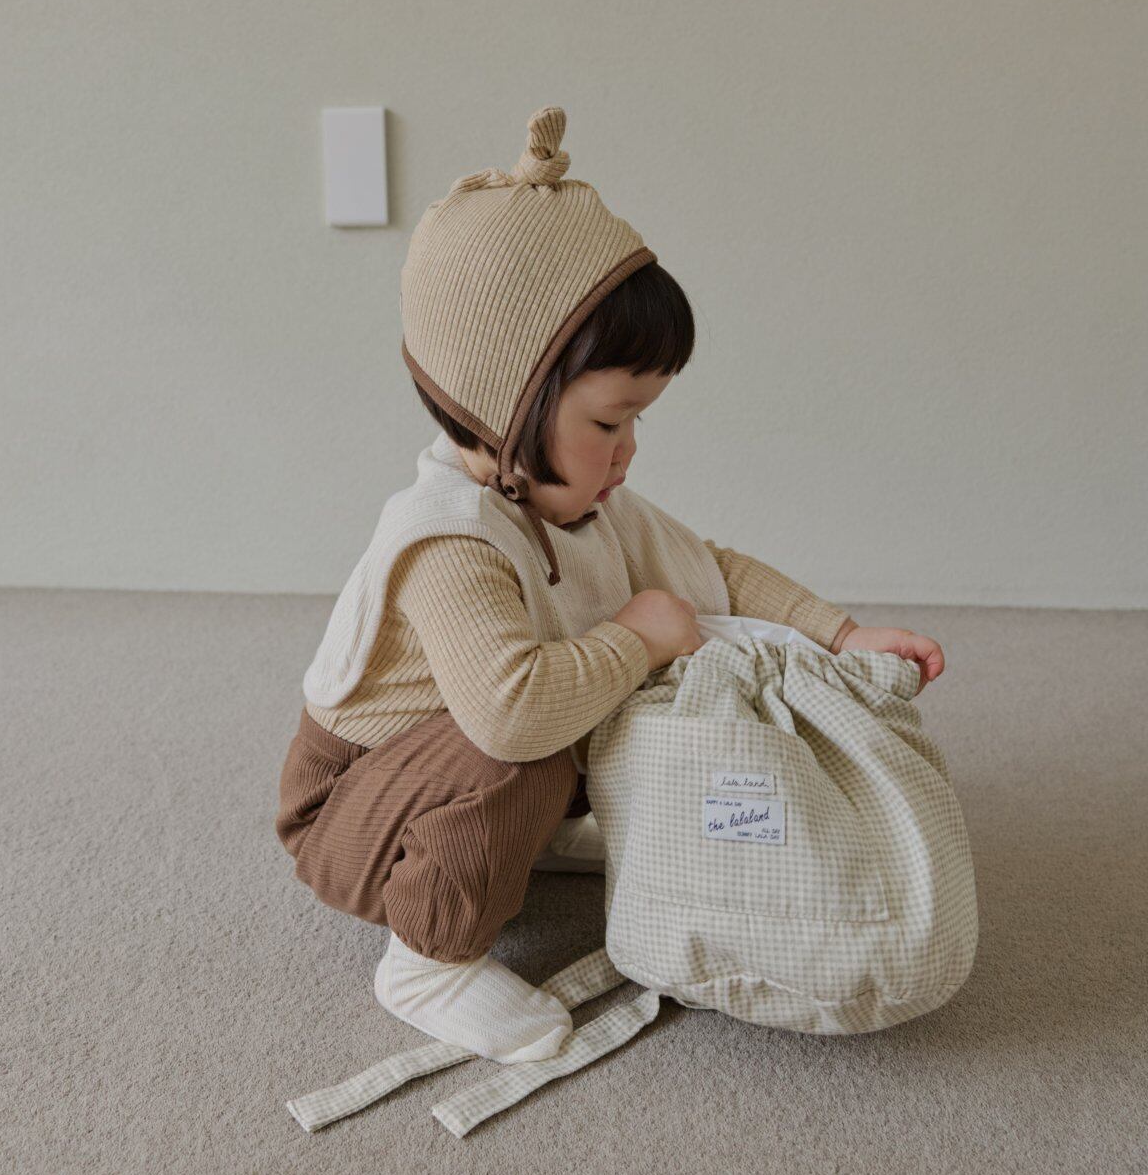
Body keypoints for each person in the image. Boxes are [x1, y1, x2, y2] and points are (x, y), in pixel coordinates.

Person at [275, 106, 944, 1064]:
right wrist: (637, 635)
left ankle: (528, 838)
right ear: (505, 407)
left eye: (638, 421)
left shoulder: (588, 507)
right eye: (607, 422)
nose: (629, 450)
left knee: (637, 673)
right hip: (352, 814)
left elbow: (717, 573)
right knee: (537, 735)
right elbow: (509, 717)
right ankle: (428, 958)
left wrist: (839, 636)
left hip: (443, 770)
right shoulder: (448, 540)